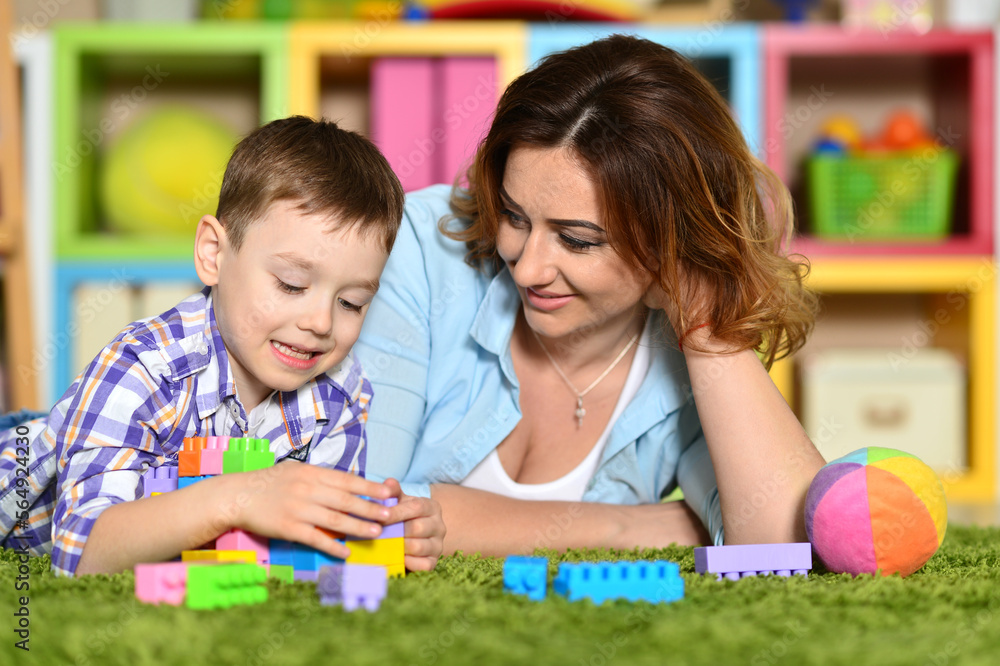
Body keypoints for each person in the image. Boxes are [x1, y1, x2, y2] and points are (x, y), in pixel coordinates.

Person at [354, 34, 826, 556]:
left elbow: (780, 540)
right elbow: (359, 505)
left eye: (578, 240)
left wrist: (708, 329)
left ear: (671, 250)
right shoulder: (418, 249)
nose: (527, 267)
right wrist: (628, 527)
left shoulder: (690, 338)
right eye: (513, 216)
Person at [0, 116, 445, 576]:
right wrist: (238, 498)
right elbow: (80, 556)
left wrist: (387, 531)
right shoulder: (143, 368)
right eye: (292, 285)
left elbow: (312, 542)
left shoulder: (340, 394)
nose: (320, 323)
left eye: (351, 302)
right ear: (214, 254)